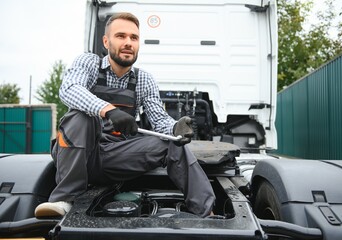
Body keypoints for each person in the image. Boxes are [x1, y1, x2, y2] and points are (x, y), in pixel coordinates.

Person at [34, 12, 215, 218]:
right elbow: (69, 89)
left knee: (173, 143)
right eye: (121, 36)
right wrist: (108, 110)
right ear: (106, 41)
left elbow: (158, 119)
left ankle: (206, 211)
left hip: (115, 157)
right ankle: (64, 199)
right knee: (82, 116)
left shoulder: (143, 79)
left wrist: (175, 128)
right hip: (77, 156)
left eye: (134, 38)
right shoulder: (89, 63)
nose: (128, 42)